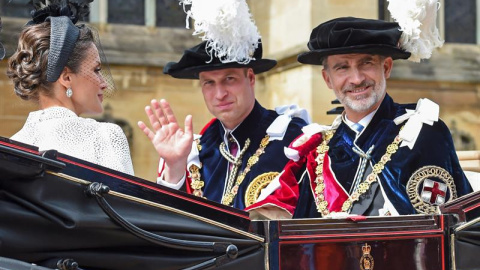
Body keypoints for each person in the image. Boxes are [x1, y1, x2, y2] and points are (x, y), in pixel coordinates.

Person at [246, 16, 473, 219]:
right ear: (328, 79)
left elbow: (443, 230)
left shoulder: (423, 133)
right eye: (342, 67)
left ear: (386, 67)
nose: (356, 79)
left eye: (366, 63)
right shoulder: (317, 151)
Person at [138, 0, 309, 210]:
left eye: (230, 79)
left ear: (251, 78)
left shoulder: (294, 140)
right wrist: (174, 167)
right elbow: (174, 226)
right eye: (209, 83)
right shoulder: (195, 152)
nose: (220, 94)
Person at [7, 1, 134, 175]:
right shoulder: (104, 136)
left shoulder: (12, 147)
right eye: (96, 70)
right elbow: (126, 202)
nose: (104, 83)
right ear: (66, 77)